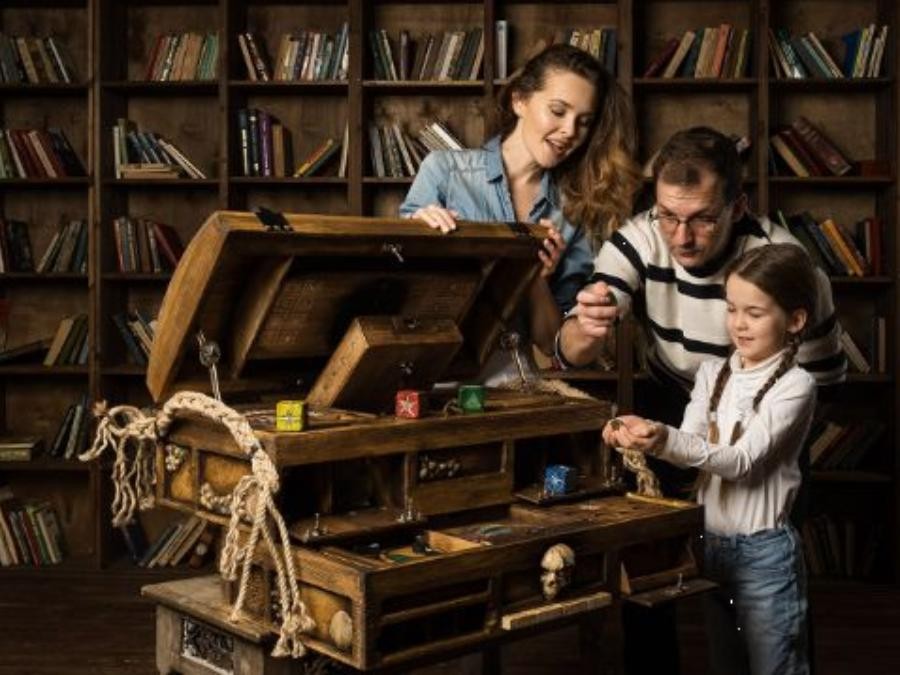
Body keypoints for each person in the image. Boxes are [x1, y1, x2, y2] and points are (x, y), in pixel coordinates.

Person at [556, 125, 843, 674]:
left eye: (703, 219)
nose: (681, 237)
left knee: (771, 584)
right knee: (647, 561)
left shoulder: (788, 264)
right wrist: (586, 327)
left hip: (773, 404)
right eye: (668, 215)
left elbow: (823, 382)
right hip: (676, 396)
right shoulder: (639, 236)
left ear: (738, 207)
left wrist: (772, 435)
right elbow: (573, 350)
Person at [604, 243, 817, 675]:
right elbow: (689, 451)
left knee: (775, 667)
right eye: (732, 308)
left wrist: (664, 439)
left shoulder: (796, 385)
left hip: (764, 556)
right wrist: (647, 433)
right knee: (726, 663)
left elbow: (741, 462)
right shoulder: (710, 373)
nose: (739, 323)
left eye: (754, 313)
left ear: (795, 320)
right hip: (710, 546)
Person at [400, 43, 640, 383]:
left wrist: (535, 277)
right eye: (558, 111)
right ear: (519, 101)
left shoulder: (574, 210)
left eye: (583, 122)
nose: (570, 131)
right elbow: (399, 297)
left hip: (512, 382)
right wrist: (415, 235)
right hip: (431, 375)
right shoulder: (444, 172)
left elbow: (551, 343)